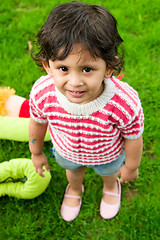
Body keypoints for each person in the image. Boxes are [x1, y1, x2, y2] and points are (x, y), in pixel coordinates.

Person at [29, 1, 144, 222]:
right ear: (47, 66)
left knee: (109, 173)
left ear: (109, 68)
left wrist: (131, 166)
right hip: (67, 151)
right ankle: (74, 188)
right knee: (72, 171)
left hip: (108, 155)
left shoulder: (123, 102)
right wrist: (36, 152)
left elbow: (133, 136)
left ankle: (111, 188)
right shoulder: (42, 93)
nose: (75, 82)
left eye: (87, 69)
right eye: (63, 68)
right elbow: (37, 122)